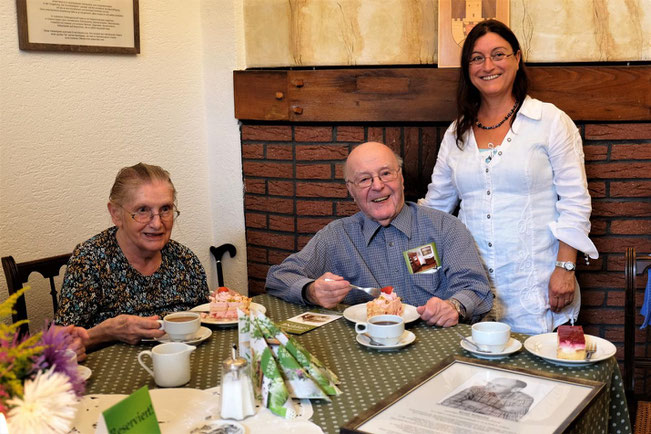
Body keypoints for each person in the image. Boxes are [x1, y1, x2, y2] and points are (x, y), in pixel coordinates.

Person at [419, 20, 598, 334]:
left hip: (537, 288)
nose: (488, 65)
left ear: (517, 58)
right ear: (467, 68)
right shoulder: (456, 133)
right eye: (477, 58)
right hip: (470, 292)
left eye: (498, 54)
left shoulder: (550, 121)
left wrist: (565, 268)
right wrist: (419, 274)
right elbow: (435, 212)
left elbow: (575, 201)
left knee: (539, 381)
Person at [265, 142, 492, 327]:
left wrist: (454, 307)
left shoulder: (445, 227)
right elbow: (279, 277)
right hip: (365, 350)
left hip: (436, 347)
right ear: (351, 190)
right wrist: (312, 291)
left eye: (385, 174)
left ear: (401, 179)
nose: (377, 186)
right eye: (364, 179)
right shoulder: (337, 236)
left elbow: (475, 288)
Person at [55, 163, 209, 348]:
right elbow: (59, 344)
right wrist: (107, 332)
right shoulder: (90, 260)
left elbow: (204, 322)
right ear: (116, 214)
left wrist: (227, 307)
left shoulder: (185, 259)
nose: (157, 223)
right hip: (113, 373)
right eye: (143, 210)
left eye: (165, 209)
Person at [441, 377, 534, 421]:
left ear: (515, 389)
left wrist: (473, 403)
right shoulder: (476, 389)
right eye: (490, 383)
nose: (489, 387)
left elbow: (511, 419)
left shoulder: (525, 399)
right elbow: (446, 403)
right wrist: (495, 413)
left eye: (498, 386)